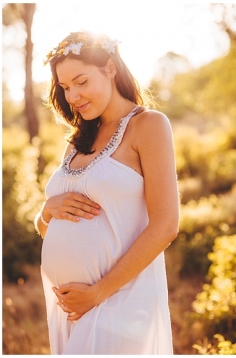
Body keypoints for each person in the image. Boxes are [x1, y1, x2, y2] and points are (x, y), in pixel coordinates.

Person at [35, 31, 179, 354]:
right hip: (72, 308)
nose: (72, 95)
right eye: (65, 87)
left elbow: (166, 224)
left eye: (81, 81)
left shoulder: (149, 126)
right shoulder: (78, 141)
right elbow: (48, 228)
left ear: (111, 68)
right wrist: (47, 210)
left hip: (119, 303)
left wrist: (98, 292)